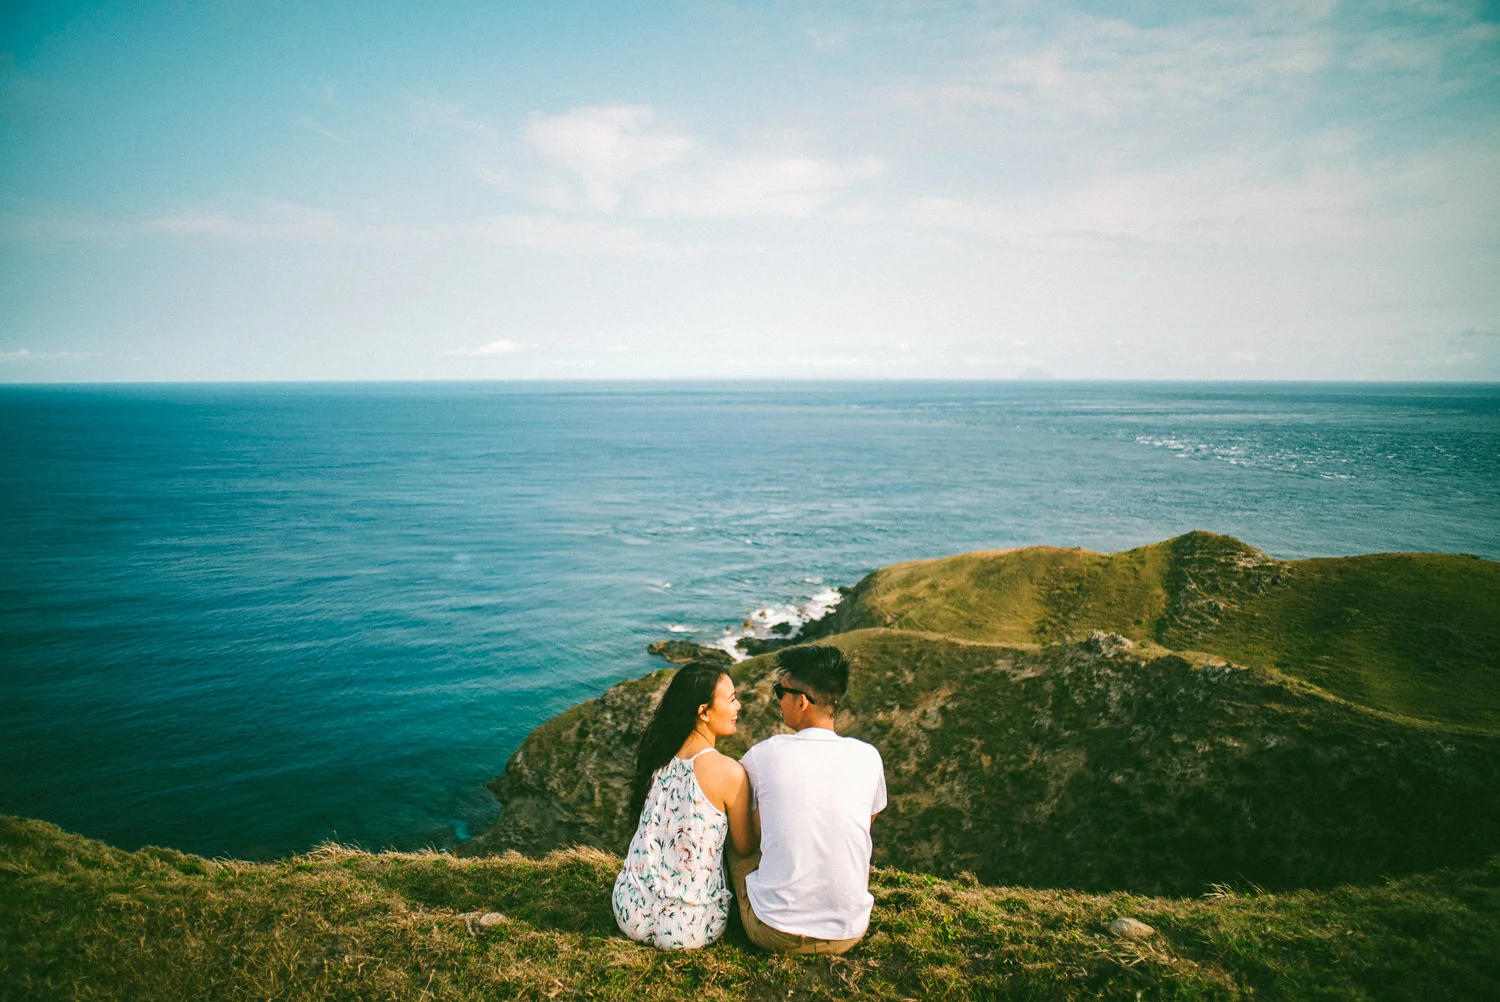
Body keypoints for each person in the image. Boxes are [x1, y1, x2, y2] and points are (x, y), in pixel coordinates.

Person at [731, 644, 887, 955]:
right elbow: (865, 822)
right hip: (849, 931)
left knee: (732, 839)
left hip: (774, 932)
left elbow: (749, 836)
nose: (778, 699)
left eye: (781, 690)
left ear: (801, 702)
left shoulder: (764, 755)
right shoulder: (868, 756)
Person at [612, 662, 757, 949]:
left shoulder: (659, 756)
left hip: (629, 908)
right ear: (703, 712)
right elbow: (744, 847)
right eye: (731, 699)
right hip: (689, 928)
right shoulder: (728, 772)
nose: (738, 706)